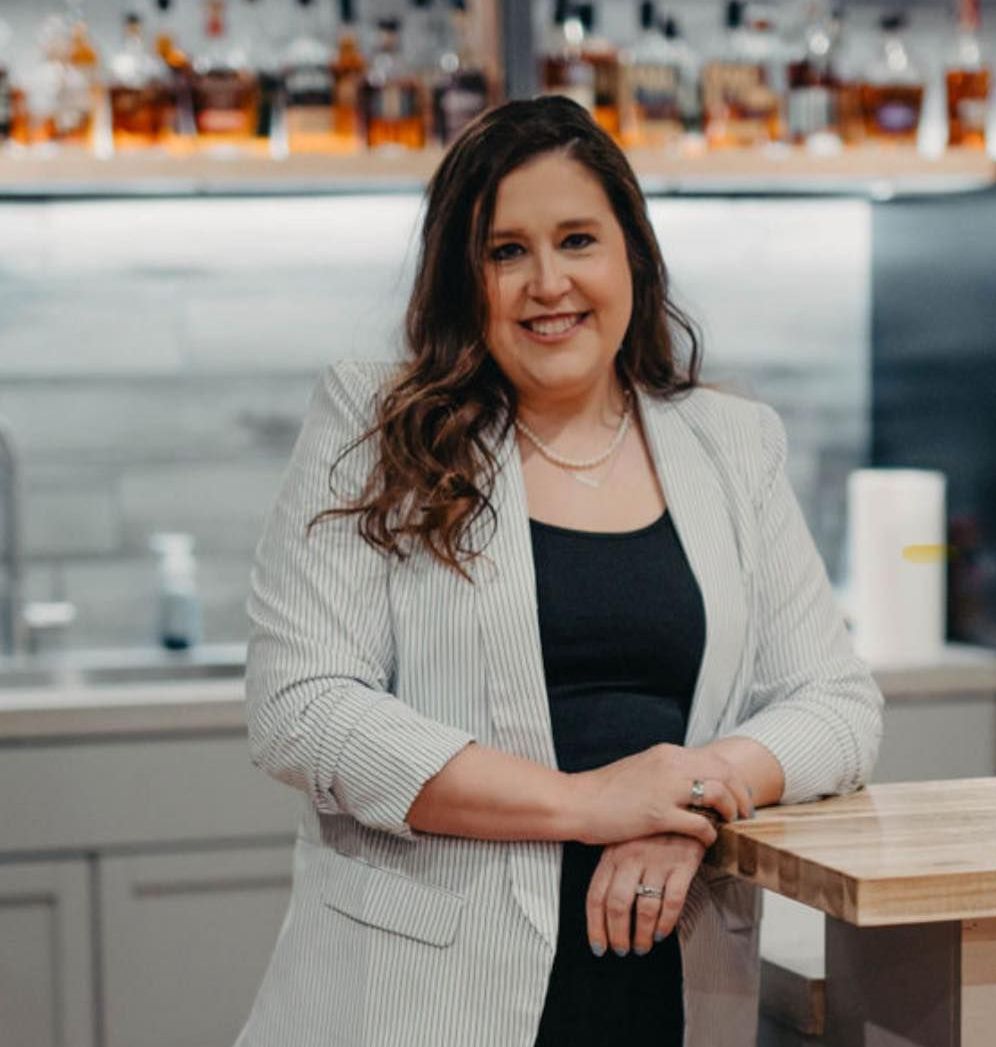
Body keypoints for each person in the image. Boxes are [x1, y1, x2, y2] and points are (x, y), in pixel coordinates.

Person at [235, 96, 883, 1047]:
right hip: (425, 998)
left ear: (633, 256)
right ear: (465, 279)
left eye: (578, 239)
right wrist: (588, 803)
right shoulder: (376, 428)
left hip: (668, 983)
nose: (548, 283)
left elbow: (835, 700)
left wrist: (684, 798)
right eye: (505, 252)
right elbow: (301, 704)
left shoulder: (730, 441)